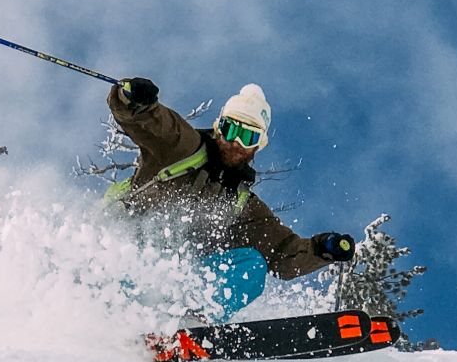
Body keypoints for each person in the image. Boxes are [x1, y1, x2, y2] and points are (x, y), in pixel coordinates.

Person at [101, 77, 356, 324]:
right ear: (217, 127)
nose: (235, 142)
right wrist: (132, 100)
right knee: (150, 241)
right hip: (124, 258)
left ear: (259, 145)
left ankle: (190, 322)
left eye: (247, 137)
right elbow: (156, 123)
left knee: (251, 265)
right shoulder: (182, 149)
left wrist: (321, 249)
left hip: (170, 285)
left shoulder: (242, 206)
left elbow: (282, 254)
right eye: (229, 129)